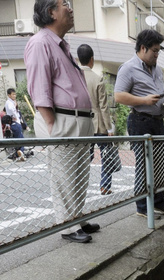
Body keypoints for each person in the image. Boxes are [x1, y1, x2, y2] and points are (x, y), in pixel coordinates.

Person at [24, 0, 97, 244]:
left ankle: (76, 217)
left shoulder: (60, 44)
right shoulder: (40, 43)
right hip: (63, 120)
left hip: (76, 120)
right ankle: (67, 226)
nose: (71, 8)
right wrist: (51, 124)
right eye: (65, 4)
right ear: (51, 12)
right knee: (64, 176)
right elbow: (39, 89)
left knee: (78, 175)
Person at [114, 29, 164, 218]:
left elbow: (159, 93)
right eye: (155, 51)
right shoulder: (128, 68)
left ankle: (158, 202)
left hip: (157, 121)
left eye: (158, 51)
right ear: (143, 48)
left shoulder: (158, 69)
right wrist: (144, 100)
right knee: (144, 165)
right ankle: (142, 207)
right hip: (139, 120)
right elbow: (118, 96)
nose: (157, 55)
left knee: (162, 164)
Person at [77, 44, 115, 196]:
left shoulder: (75, 78)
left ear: (78, 59)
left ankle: (79, 184)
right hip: (98, 125)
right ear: (92, 59)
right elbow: (103, 107)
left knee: (86, 156)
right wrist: (110, 128)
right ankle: (105, 186)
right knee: (106, 155)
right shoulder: (97, 79)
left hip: (81, 124)